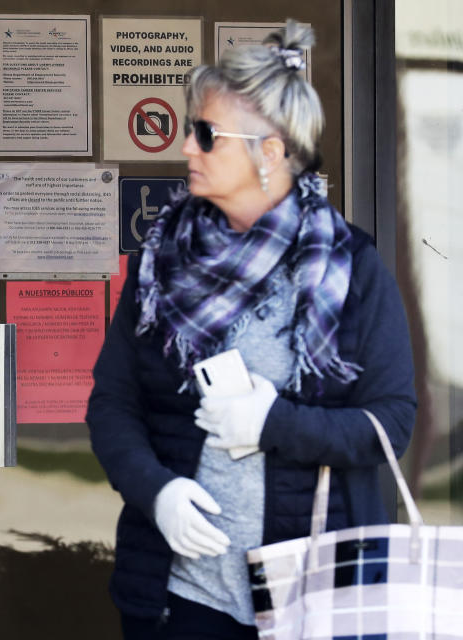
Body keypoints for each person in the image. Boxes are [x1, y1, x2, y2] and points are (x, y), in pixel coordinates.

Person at [86, 21, 416, 640]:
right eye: (190, 129)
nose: (186, 146)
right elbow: (113, 404)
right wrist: (156, 493)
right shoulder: (161, 260)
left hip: (312, 596)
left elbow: (390, 424)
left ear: (270, 152)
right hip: (180, 593)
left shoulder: (350, 268)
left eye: (206, 135)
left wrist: (274, 425)